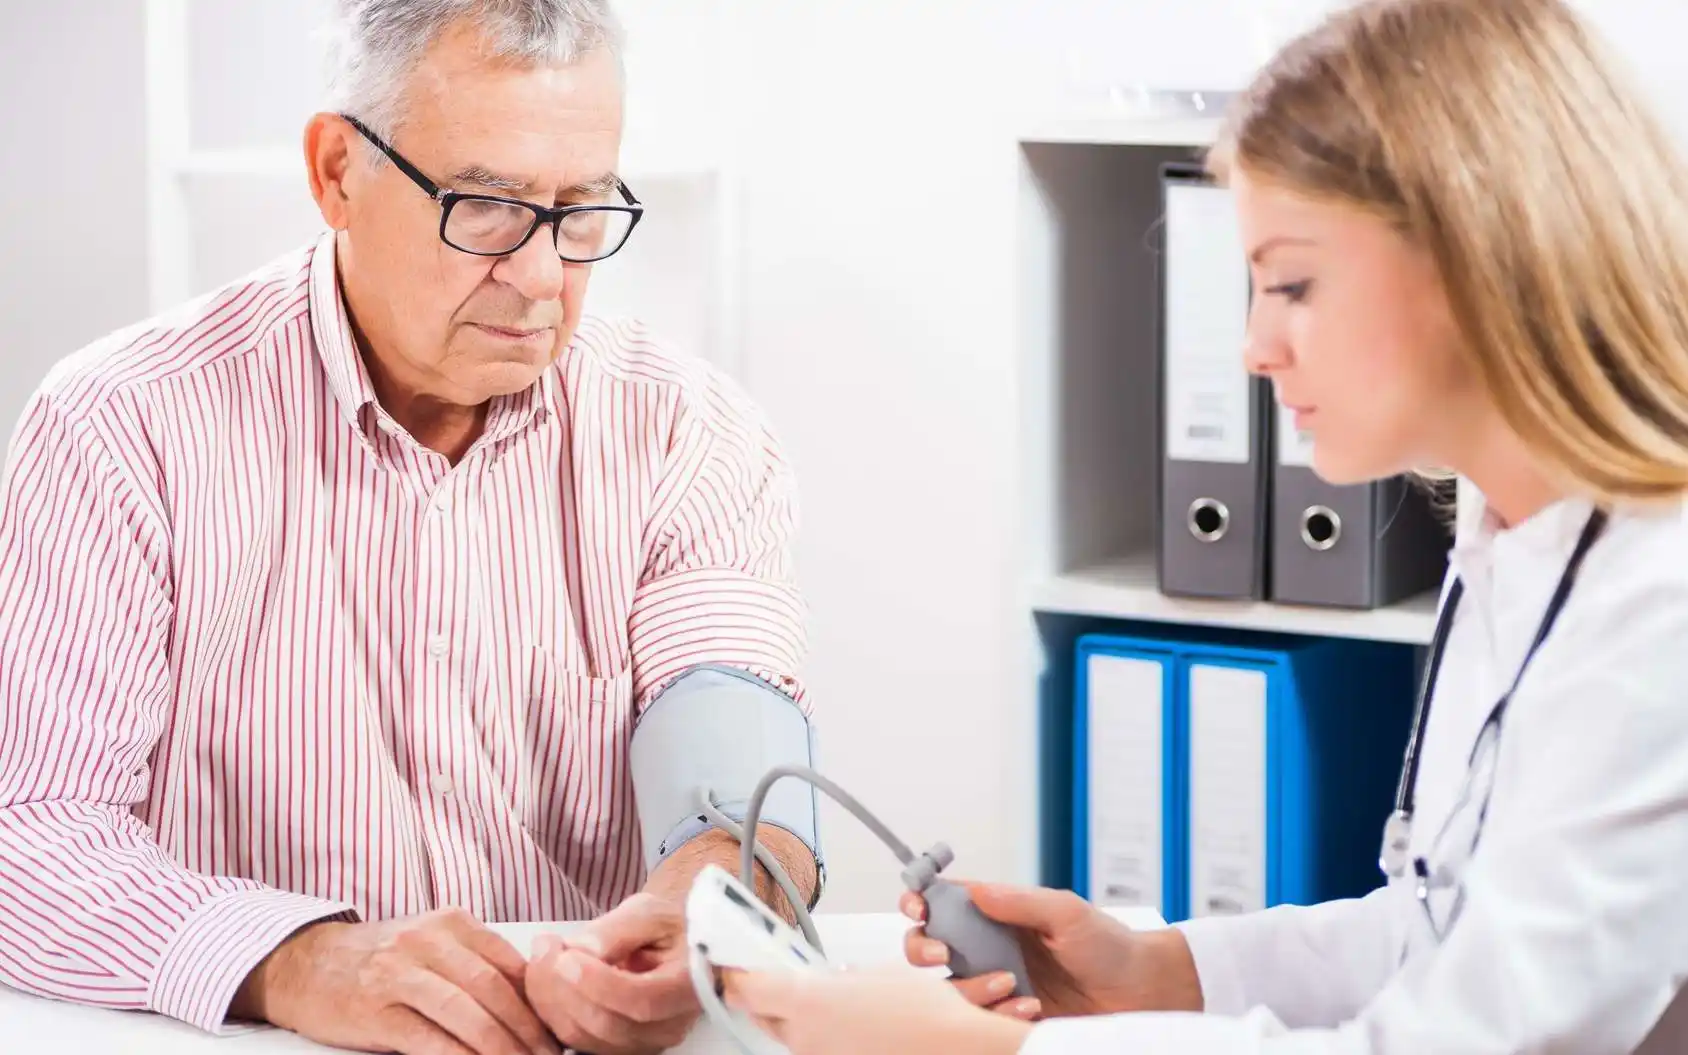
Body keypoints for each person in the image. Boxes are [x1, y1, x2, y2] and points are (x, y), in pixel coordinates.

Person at [721, 0, 1688, 1051]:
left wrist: (1001, 1049)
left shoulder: (1657, 607)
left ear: (1478, 252)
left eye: (1290, 283)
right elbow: (1439, 930)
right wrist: (1156, 971)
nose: (1252, 347)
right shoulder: (1514, 548)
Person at [0, 2, 823, 1054]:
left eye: (580, 211)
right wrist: (291, 958)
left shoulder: (685, 432)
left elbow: (735, 757)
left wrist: (706, 902)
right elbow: (28, 835)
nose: (539, 278)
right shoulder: (123, 425)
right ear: (337, 170)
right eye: (486, 207)